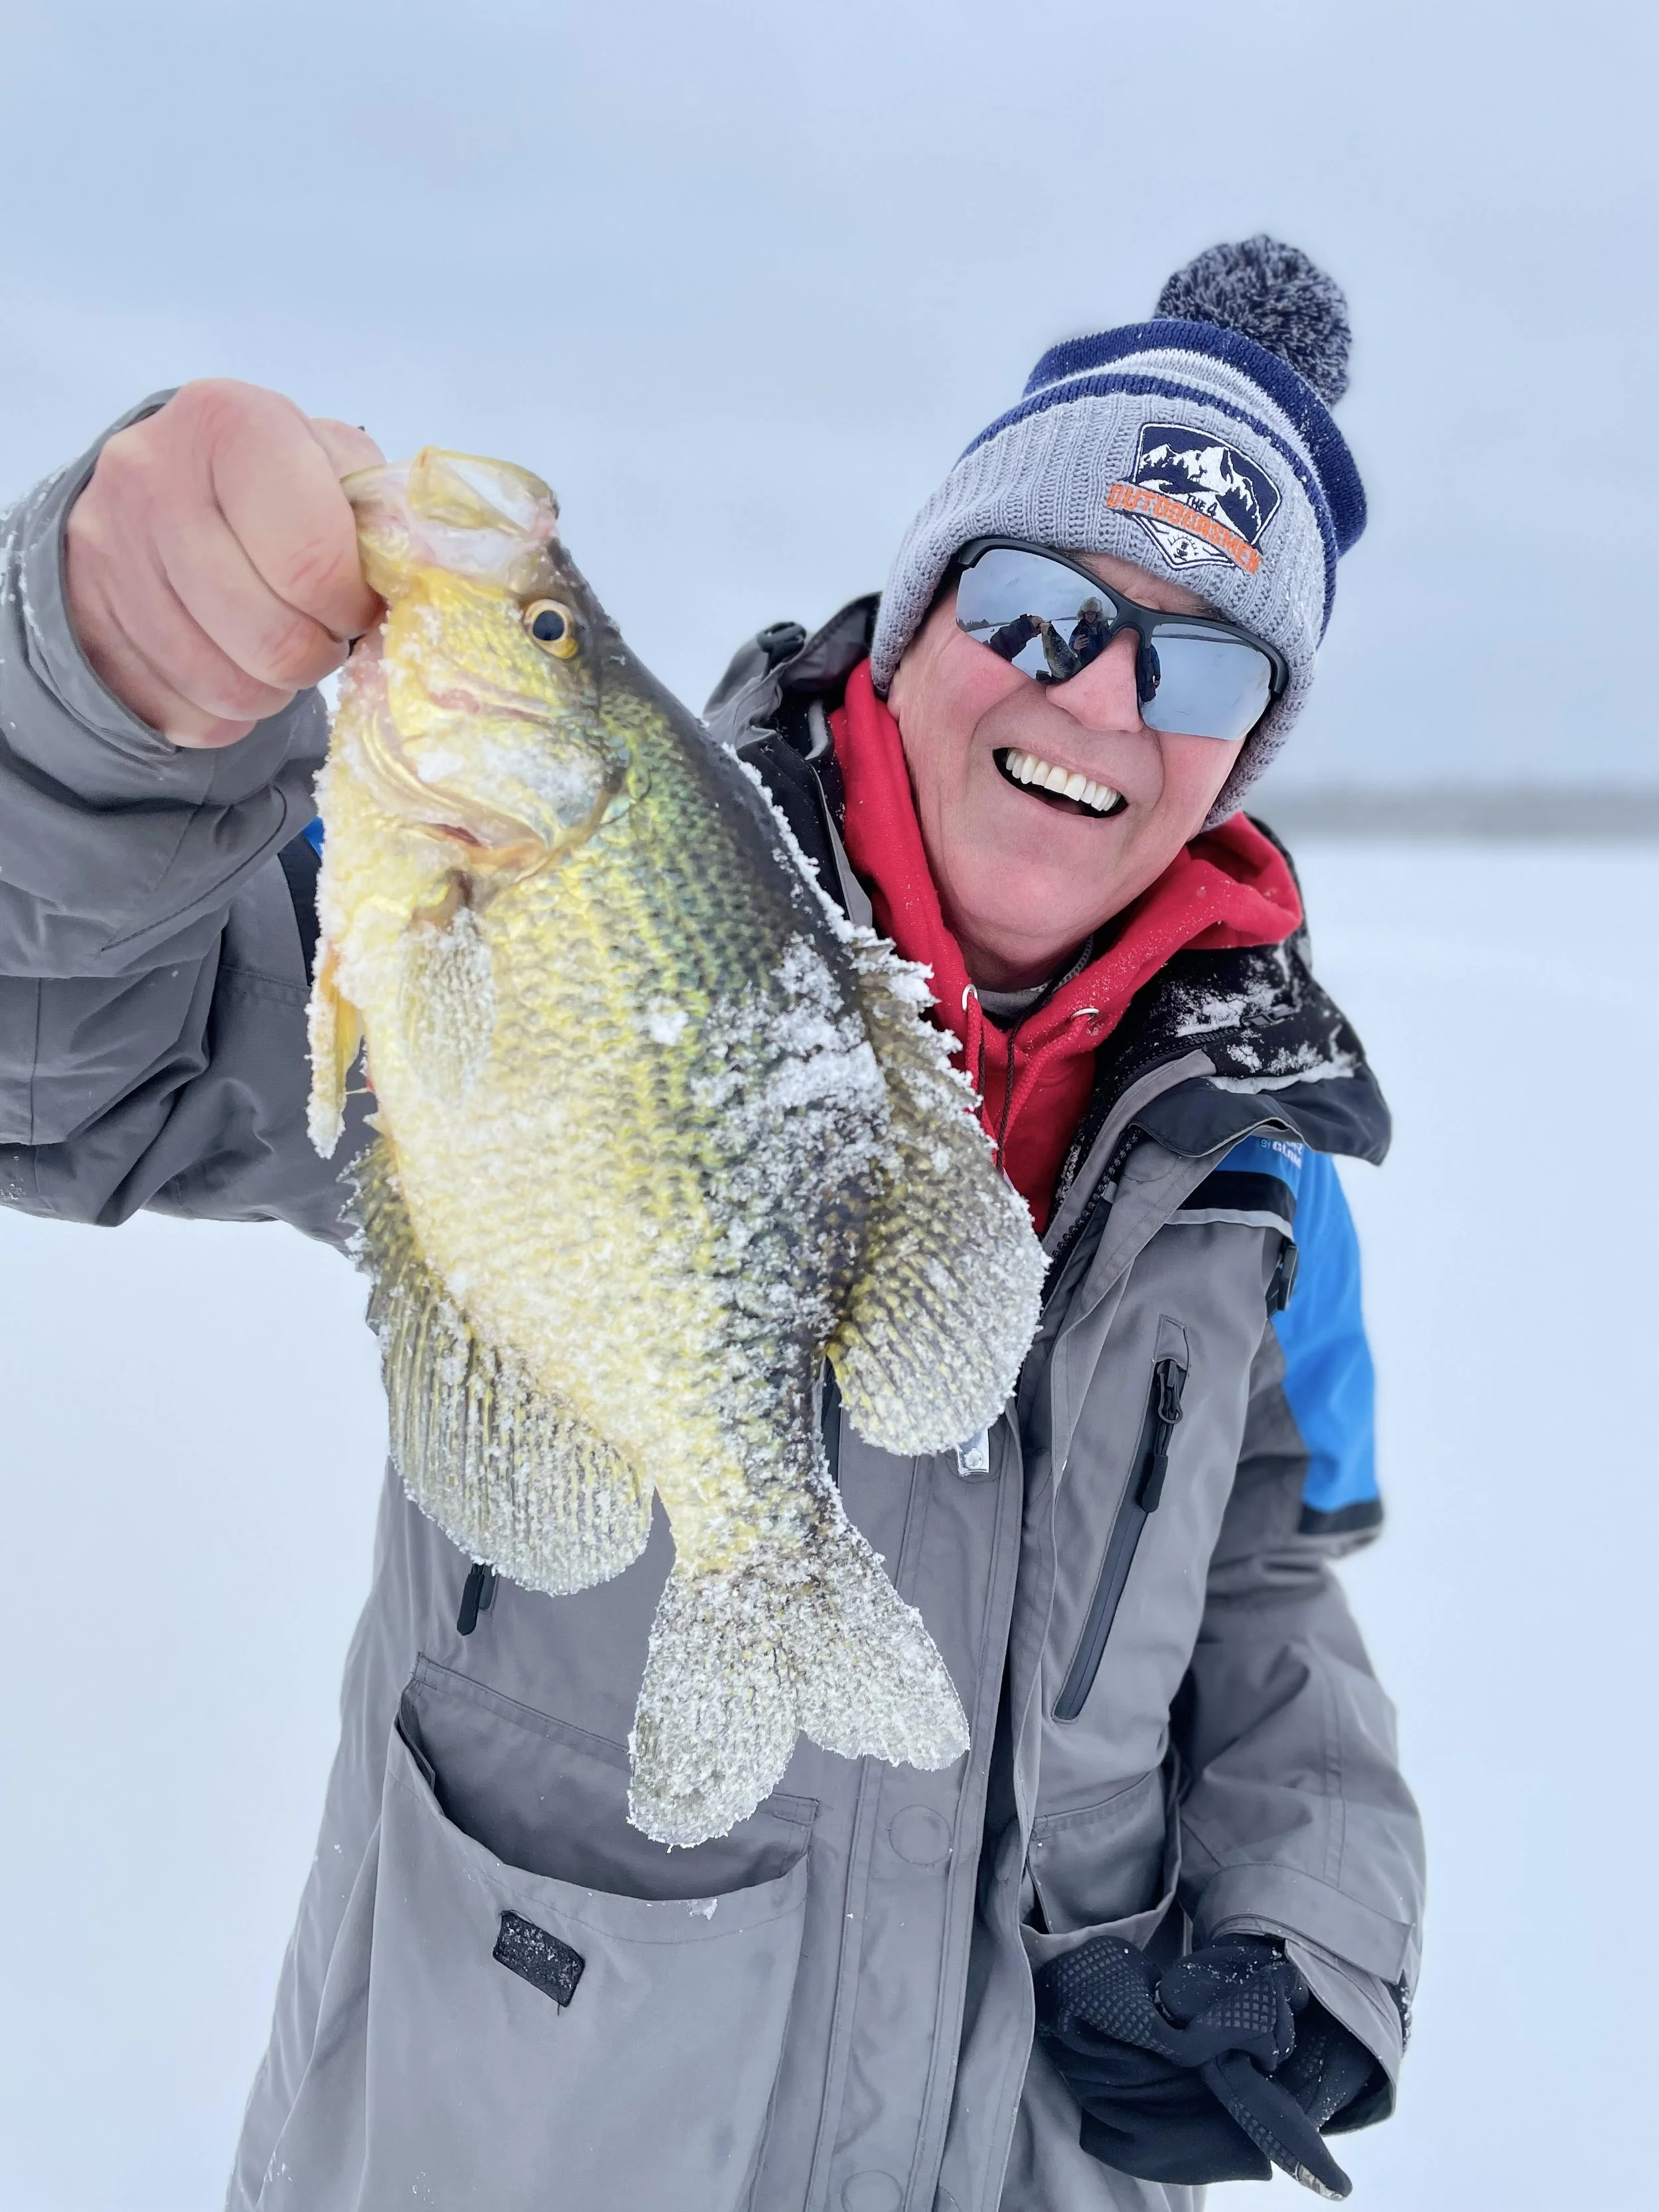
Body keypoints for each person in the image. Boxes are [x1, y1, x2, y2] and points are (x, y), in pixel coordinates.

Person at [0, 236, 1423, 2210]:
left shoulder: (1249, 1143)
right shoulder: (587, 886)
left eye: (1193, 659)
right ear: (920, 612)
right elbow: (63, 1059)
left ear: (1241, 746)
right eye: (1033, 609)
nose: (1093, 697)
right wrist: (99, 693)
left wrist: (1301, 1922)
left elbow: (1261, 1564)